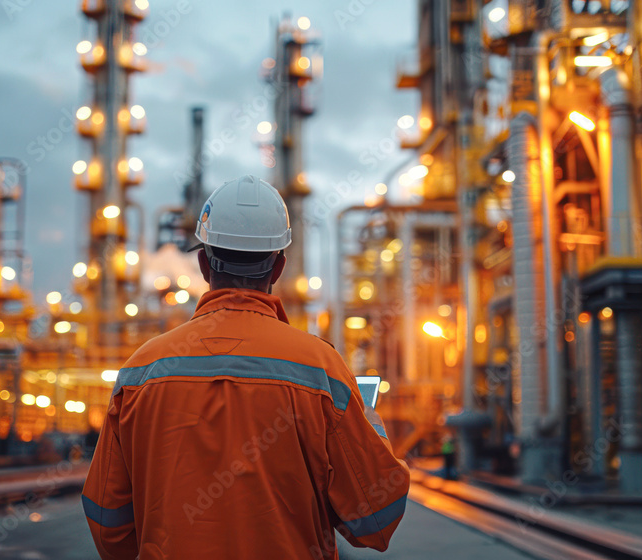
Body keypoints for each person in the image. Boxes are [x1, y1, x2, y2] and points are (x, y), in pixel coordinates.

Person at [82, 175, 410, 559]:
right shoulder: (322, 370)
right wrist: (365, 417)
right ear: (278, 268)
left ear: (203, 264)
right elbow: (376, 519)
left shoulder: (141, 370)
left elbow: (110, 529)